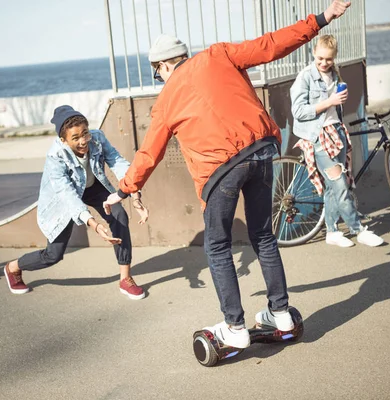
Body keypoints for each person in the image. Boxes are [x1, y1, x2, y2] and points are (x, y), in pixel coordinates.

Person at [104, 1, 353, 348]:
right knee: (263, 235)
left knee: (217, 245)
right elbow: (271, 45)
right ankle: (280, 312)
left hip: (220, 171)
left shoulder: (166, 100)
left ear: (162, 65)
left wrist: (124, 190)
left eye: (157, 72)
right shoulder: (217, 54)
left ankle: (234, 326)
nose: (160, 78)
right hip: (261, 151)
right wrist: (321, 19)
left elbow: (150, 153)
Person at [3, 106, 149, 299]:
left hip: (93, 187)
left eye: (85, 134)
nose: (83, 141)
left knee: (119, 215)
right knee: (53, 255)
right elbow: (67, 194)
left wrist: (134, 193)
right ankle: (12, 267)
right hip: (64, 199)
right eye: (76, 138)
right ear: (63, 140)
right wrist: (94, 224)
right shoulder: (55, 156)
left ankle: (125, 278)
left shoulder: (97, 138)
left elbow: (117, 162)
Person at [290, 34, 384, 248]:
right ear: (314, 52)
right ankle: (358, 229)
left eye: (329, 59)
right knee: (341, 185)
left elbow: (334, 107)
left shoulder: (335, 74)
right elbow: (298, 111)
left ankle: (332, 232)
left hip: (337, 132)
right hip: (318, 136)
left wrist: (338, 99)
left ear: (335, 58)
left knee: (333, 188)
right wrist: (329, 101)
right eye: (320, 58)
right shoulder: (305, 77)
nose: (324, 63)